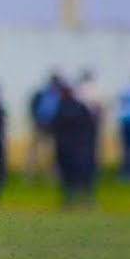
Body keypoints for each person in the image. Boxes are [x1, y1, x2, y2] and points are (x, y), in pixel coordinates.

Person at [50, 77, 95, 208]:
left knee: (79, 173)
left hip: (75, 147)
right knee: (68, 174)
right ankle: (71, 199)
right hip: (68, 147)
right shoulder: (64, 107)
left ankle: (83, 199)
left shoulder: (74, 107)